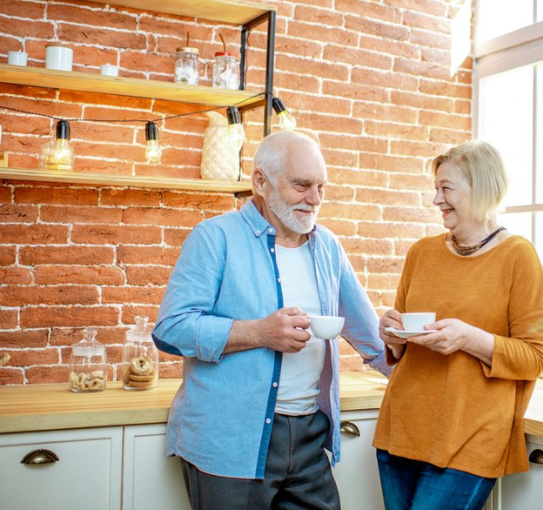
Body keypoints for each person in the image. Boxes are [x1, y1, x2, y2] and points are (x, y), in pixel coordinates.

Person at [153, 130, 391, 510]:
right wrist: (259, 332)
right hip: (231, 438)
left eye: (321, 187)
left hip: (310, 435)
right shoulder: (215, 238)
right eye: (301, 185)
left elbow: (371, 338)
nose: (314, 199)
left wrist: (413, 369)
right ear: (260, 182)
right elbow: (171, 328)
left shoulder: (327, 246)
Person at [372, 140, 543, 510]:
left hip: (471, 435)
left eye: (446, 188)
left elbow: (534, 356)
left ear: (482, 188)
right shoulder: (421, 253)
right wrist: (391, 336)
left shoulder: (518, 257)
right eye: (435, 188)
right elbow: (402, 346)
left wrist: (470, 339)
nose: (436, 199)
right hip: (403, 426)